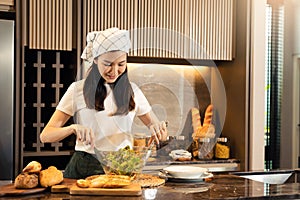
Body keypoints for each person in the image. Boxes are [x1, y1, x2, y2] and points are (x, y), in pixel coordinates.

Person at [40, 27, 168, 179]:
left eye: (121, 64)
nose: (114, 71)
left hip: (122, 166)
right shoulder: (77, 89)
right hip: (85, 167)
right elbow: (45, 136)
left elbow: (162, 135)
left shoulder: (133, 91)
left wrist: (159, 129)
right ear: (95, 60)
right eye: (108, 64)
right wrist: (73, 128)